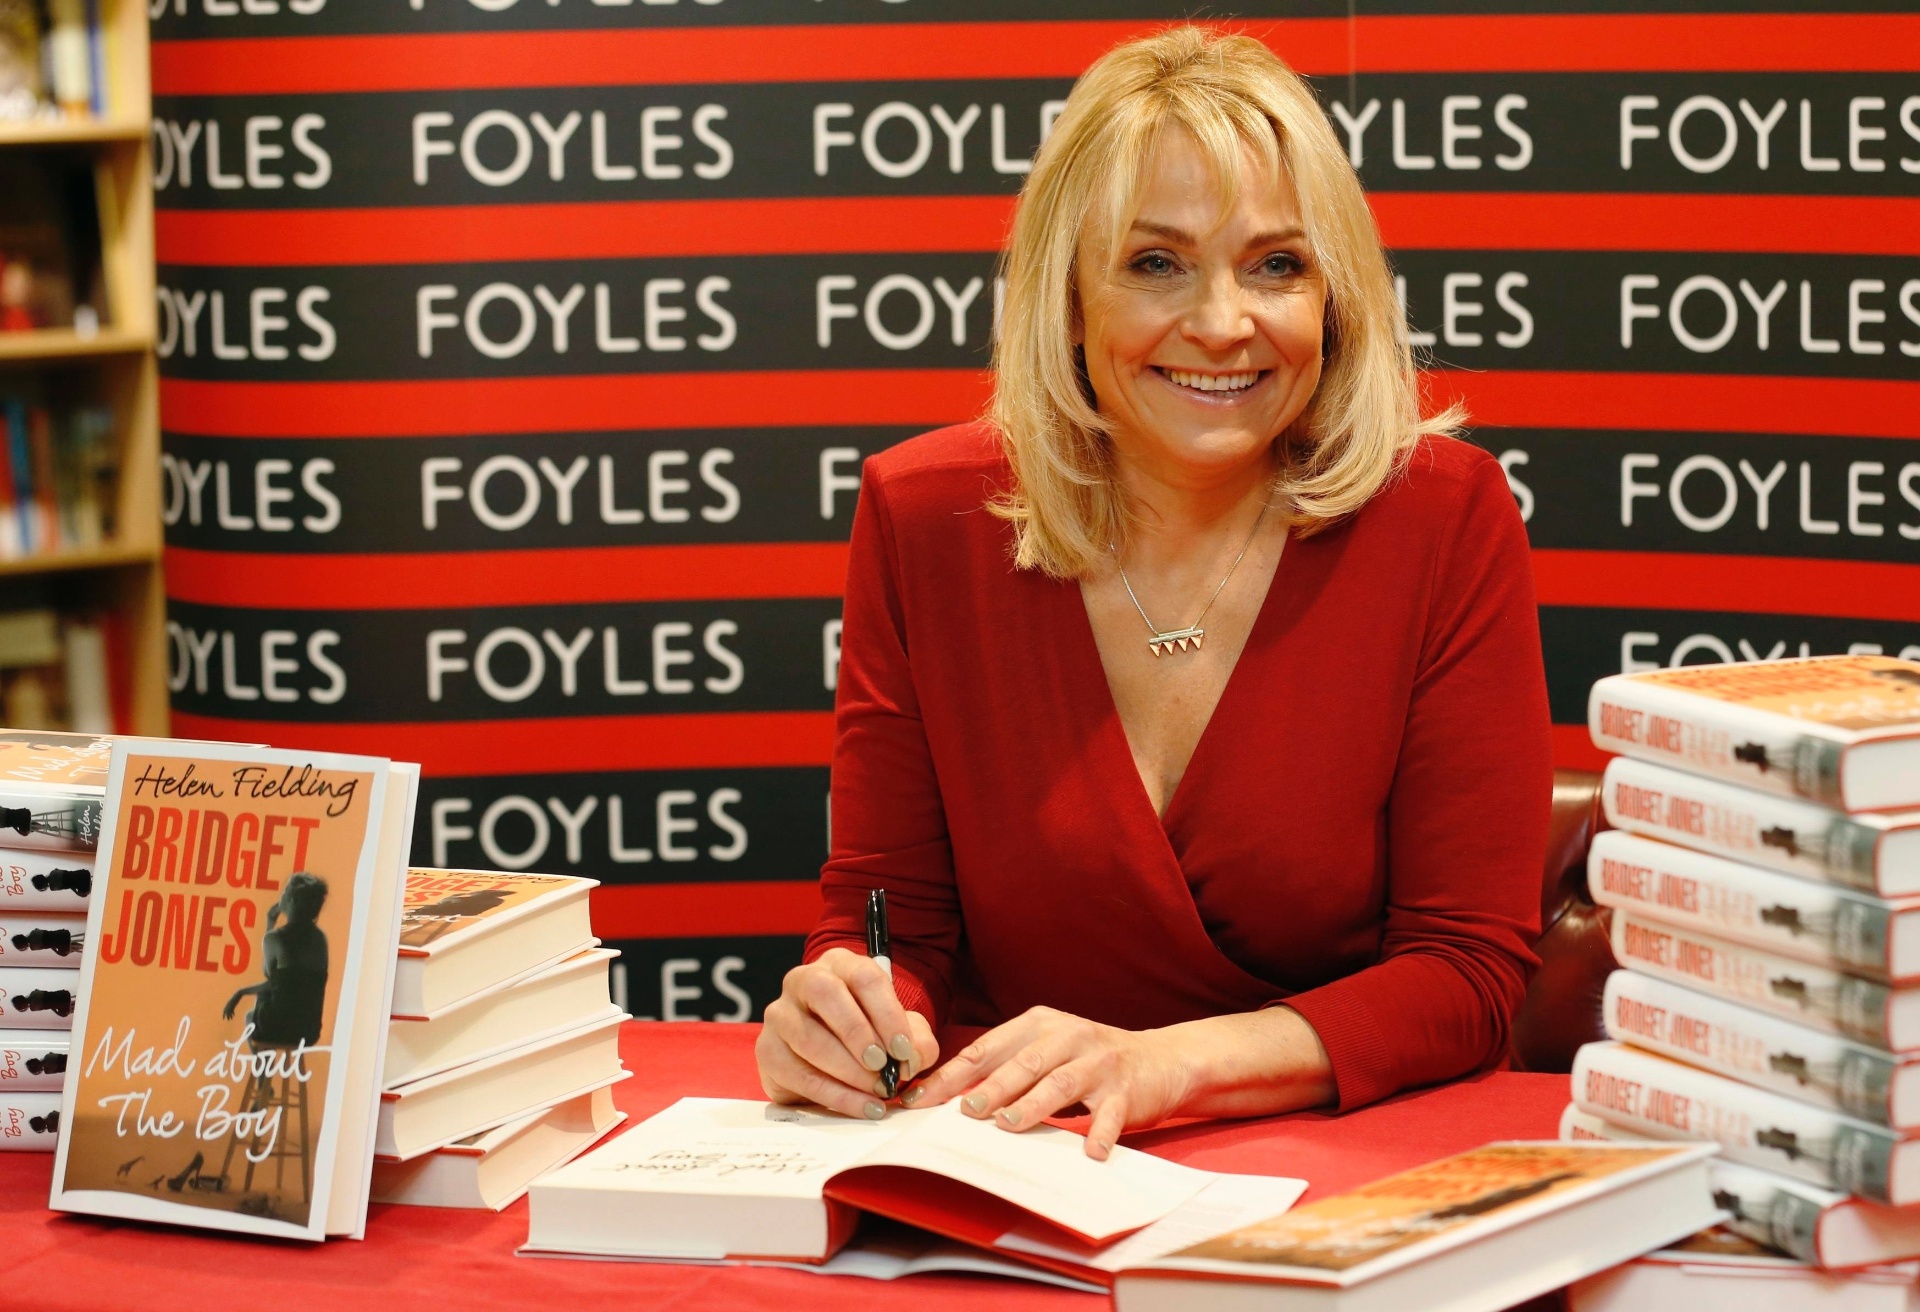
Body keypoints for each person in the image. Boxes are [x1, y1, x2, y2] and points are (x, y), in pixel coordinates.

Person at [755, 26, 1551, 1158]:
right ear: (1069, 298)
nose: (1224, 322)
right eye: (1156, 263)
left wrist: (1166, 1062)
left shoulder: (1442, 515)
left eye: (1278, 264)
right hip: (1012, 1165)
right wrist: (845, 1009)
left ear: (1336, 298)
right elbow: (894, 925)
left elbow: (1468, 972)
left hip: (1348, 1167)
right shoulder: (922, 515)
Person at [223, 873, 330, 1047]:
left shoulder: (276, 938)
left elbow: (270, 976)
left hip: (280, 1028)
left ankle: (263, 1071)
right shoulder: (320, 939)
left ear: (292, 901)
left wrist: (269, 924)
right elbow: (291, 984)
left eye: (285, 891)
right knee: (267, 998)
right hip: (309, 1032)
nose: (281, 894)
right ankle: (265, 1070)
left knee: (252, 1016)